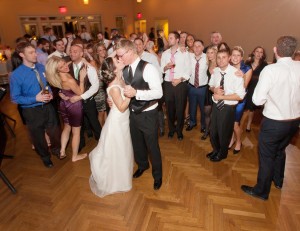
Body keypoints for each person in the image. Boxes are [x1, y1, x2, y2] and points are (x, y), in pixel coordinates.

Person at [241, 36, 300, 200]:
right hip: (294, 121)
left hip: (274, 122)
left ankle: (261, 191)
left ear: (275, 50)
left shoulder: (271, 70)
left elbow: (257, 100)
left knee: (266, 156)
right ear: (294, 52)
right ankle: (278, 180)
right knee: (280, 150)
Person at [116, 39, 163, 190]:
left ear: (130, 52)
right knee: (137, 144)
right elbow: (125, 90)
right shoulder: (125, 69)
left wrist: (137, 93)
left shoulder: (148, 68)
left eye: (121, 55)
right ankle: (142, 165)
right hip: (133, 113)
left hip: (148, 114)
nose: (119, 59)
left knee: (152, 147)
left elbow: (158, 92)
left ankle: (158, 176)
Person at [10, 42, 61, 168]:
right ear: (22, 55)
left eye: (35, 52)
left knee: (55, 131)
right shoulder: (16, 75)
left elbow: (47, 84)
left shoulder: (40, 67)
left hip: (48, 106)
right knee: (38, 137)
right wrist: (35, 98)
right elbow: (15, 98)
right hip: (32, 111)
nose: (35, 55)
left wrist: (49, 92)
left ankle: (56, 150)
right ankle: (45, 157)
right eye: (31, 53)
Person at [89, 57, 133, 197]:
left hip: (123, 120)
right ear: (114, 69)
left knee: (123, 147)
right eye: (117, 61)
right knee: (118, 148)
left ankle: (122, 173)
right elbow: (121, 107)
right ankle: (117, 180)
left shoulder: (120, 78)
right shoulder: (114, 86)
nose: (120, 60)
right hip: (117, 121)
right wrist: (130, 95)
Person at [206, 49, 245, 162]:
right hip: (216, 105)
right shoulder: (216, 71)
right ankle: (216, 150)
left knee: (224, 132)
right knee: (213, 132)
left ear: (229, 58)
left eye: (224, 57)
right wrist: (215, 89)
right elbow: (210, 86)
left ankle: (222, 153)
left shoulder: (236, 74)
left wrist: (222, 97)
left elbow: (240, 96)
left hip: (228, 108)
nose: (221, 60)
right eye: (219, 57)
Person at [46, 56, 88, 161]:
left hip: (64, 104)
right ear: (57, 69)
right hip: (74, 106)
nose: (65, 66)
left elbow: (60, 89)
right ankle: (74, 156)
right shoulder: (69, 80)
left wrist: (79, 58)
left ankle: (62, 150)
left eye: (64, 63)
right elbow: (80, 93)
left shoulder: (57, 76)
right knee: (76, 132)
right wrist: (82, 79)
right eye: (62, 66)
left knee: (66, 127)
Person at [67, 44, 101, 151]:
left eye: (75, 51)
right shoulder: (67, 67)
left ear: (82, 54)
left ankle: (101, 141)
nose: (72, 53)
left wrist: (81, 97)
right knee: (77, 124)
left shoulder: (89, 67)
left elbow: (95, 86)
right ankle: (80, 143)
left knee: (94, 122)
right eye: (71, 51)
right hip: (73, 102)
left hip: (88, 101)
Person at [161, 31, 191, 140]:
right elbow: (161, 69)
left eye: (171, 38)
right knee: (169, 109)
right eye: (168, 38)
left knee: (180, 109)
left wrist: (180, 79)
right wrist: (166, 67)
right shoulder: (165, 54)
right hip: (168, 84)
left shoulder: (184, 53)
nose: (169, 40)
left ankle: (179, 131)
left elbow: (188, 71)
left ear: (177, 40)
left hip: (180, 84)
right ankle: (171, 129)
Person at [228, 46, 252, 154]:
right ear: (230, 56)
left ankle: (238, 142)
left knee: (235, 124)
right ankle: (232, 139)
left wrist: (242, 76)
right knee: (229, 123)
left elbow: (245, 86)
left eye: (238, 55)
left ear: (242, 57)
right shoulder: (227, 67)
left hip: (239, 101)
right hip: (228, 99)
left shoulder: (247, 69)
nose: (235, 57)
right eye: (233, 55)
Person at [186, 40, 208, 133]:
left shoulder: (207, 57)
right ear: (192, 47)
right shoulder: (189, 56)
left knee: (203, 109)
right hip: (191, 87)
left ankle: (203, 125)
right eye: (195, 46)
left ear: (203, 47)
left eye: (199, 46)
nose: (197, 48)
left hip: (203, 88)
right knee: (192, 107)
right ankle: (192, 122)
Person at [244, 46, 268, 132]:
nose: (258, 53)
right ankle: (240, 123)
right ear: (254, 52)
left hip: (256, 89)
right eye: (257, 51)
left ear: (263, 54)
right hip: (245, 87)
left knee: (251, 108)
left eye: (261, 52)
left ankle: (248, 124)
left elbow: (266, 78)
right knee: (244, 107)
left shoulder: (264, 65)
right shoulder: (247, 63)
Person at [201, 45, 217, 140]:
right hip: (208, 90)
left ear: (216, 53)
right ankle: (207, 130)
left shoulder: (220, 64)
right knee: (207, 112)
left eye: (212, 52)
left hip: (217, 91)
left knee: (214, 114)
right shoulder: (208, 63)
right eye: (208, 52)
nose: (210, 54)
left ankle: (213, 132)